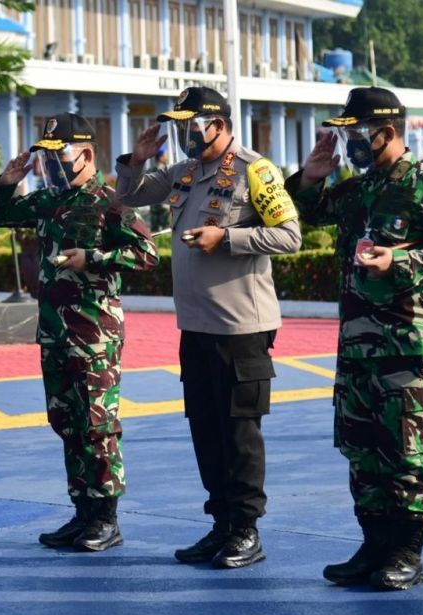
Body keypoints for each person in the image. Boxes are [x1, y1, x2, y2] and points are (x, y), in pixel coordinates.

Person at [285, 87, 423, 590]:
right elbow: (312, 211)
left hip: (409, 345)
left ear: (387, 133)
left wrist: (401, 261)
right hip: (358, 345)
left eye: (357, 133)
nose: (350, 144)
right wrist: (310, 177)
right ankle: (373, 544)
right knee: (361, 447)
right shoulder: (358, 188)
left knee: (406, 451)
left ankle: (408, 551)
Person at [115, 86, 302, 569]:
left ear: (218, 125)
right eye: (178, 127)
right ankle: (221, 524)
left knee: (239, 431)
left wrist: (228, 238)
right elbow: (127, 197)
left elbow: (289, 235)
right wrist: (135, 159)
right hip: (196, 325)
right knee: (205, 428)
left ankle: (245, 529)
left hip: (240, 325)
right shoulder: (185, 173)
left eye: (191, 126)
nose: (184, 136)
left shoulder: (254, 170)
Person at [0, 112, 158, 553]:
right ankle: (81, 511)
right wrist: (6, 182)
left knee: (97, 425)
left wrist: (93, 259)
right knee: (66, 423)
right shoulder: (49, 200)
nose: (52, 165)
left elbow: (147, 254)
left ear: (86, 155)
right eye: (47, 158)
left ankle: (106, 517)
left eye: (58, 156)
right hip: (56, 332)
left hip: (95, 332)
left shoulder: (110, 201)